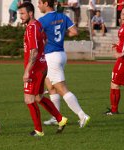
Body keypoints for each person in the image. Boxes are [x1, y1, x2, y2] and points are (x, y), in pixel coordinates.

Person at [38, 0, 90, 128]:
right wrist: (61, 34)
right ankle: (57, 117)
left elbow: (38, 37)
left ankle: (82, 115)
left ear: (46, 3)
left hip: (51, 56)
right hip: (61, 54)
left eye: (39, 2)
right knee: (50, 87)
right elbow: (74, 32)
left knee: (62, 89)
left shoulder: (42, 20)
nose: (38, 5)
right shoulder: (62, 16)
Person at [18, 2, 67, 136]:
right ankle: (60, 119)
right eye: (19, 14)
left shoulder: (31, 28)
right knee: (39, 97)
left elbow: (34, 51)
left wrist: (28, 70)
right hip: (42, 65)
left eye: (22, 14)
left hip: (35, 68)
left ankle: (38, 130)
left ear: (30, 13)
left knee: (29, 99)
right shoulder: (38, 25)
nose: (20, 17)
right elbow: (44, 41)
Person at [105, 3, 124, 115]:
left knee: (114, 84)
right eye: (122, 14)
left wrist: (121, 54)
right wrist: (118, 45)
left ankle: (114, 110)